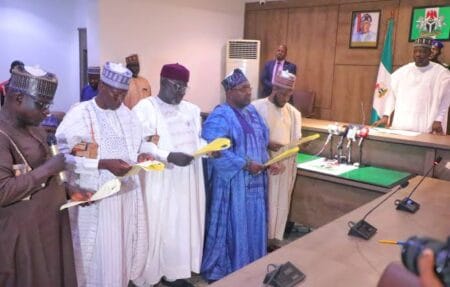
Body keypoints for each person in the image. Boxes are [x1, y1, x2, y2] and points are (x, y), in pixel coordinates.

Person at [56, 62, 151, 287]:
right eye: (115, 93)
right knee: (101, 255)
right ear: (101, 86)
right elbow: (65, 157)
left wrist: (142, 157)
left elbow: (139, 146)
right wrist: (102, 164)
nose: (119, 99)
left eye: (123, 94)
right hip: (98, 198)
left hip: (126, 194)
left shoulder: (128, 116)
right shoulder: (81, 114)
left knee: (122, 250)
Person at [0, 65, 90, 286]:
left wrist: (70, 192)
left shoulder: (36, 128)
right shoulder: (2, 134)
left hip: (51, 226)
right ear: (18, 98)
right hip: (23, 238)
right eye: (41, 105)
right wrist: (50, 168)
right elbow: (3, 191)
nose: (46, 112)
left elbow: (45, 176)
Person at [201, 69, 280, 281]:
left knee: (254, 223)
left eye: (249, 88)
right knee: (234, 227)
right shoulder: (220, 115)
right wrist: (245, 164)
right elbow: (213, 148)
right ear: (230, 92)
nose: (248, 93)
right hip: (233, 185)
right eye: (243, 89)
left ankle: (253, 265)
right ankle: (229, 269)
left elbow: (261, 140)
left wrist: (269, 160)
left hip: (256, 182)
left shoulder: (252, 112)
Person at [132, 63, 205, 287]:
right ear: (163, 82)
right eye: (176, 86)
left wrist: (210, 151)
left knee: (182, 225)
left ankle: (174, 272)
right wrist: (167, 156)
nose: (181, 92)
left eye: (184, 87)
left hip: (188, 178)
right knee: (159, 225)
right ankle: (149, 275)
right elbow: (139, 145)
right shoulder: (145, 108)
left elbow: (197, 140)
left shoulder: (191, 110)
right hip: (160, 178)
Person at [253, 70, 302, 245]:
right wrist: (267, 145)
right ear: (274, 87)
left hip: (286, 165)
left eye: (289, 94)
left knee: (281, 204)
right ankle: (260, 241)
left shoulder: (294, 113)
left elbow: (296, 140)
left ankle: (274, 240)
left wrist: (299, 146)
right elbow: (251, 138)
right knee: (266, 203)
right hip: (264, 164)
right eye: (282, 93)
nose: (286, 98)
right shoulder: (256, 107)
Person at [374, 37, 450, 134]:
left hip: (427, 125)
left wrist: (439, 119)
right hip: (402, 125)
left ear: (430, 53)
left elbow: (446, 99)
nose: (418, 54)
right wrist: (386, 115)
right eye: (416, 51)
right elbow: (391, 94)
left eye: (422, 52)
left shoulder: (441, 73)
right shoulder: (402, 72)